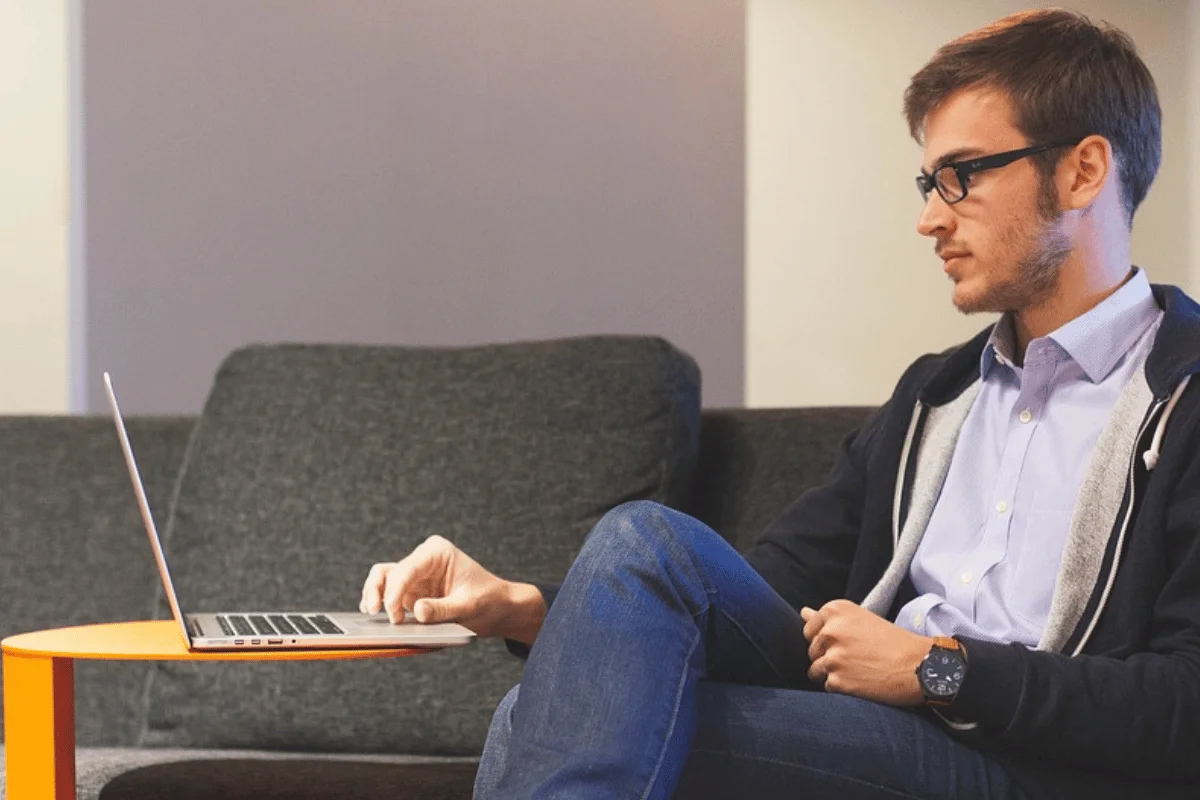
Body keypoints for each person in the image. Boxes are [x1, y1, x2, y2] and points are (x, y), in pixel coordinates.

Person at [360, 9, 1200, 799]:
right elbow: (758, 593)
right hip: (881, 729)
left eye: (960, 176)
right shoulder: (935, 396)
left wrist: (935, 669)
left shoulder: (1184, 396)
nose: (927, 219)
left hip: (1026, 768)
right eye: (927, 180)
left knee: (545, 718)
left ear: (1084, 169)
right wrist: (532, 608)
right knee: (640, 546)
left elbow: (1183, 705)